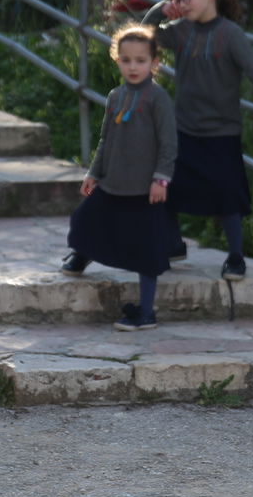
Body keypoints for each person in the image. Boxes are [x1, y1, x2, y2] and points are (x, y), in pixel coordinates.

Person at [128, 0, 253, 282]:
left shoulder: (231, 35)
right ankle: (173, 243)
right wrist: (159, 11)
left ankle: (236, 256)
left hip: (222, 133)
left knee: (227, 195)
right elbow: (143, 38)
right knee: (164, 184)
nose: (181, 3)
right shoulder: (180, 32)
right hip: (182, 130)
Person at [63, 24, 178, 330]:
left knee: (146, 252)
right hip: (113, 183)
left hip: (145, 190)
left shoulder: (158, 99)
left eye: (140, 60)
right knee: (85, 220)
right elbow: (106, 139)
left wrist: (161, 179)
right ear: (117, 60)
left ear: (155, 62)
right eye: (126, 60)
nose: (133, 66)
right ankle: (82, 254)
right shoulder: (116, 96)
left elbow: (169, 144)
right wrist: (94, 172)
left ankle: (146, 311)